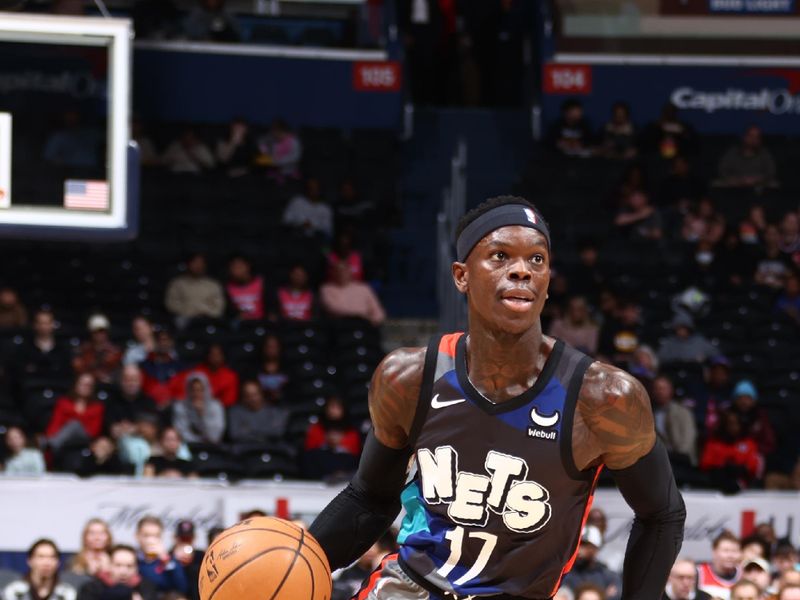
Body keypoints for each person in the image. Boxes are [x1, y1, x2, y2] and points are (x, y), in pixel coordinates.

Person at [308, 196, 685, 599]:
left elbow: (661, 514)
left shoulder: (604, 397)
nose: (522, 270)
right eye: (501, 256)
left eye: (536, 260)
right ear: (461, 276)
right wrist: (298, 562)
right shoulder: (409, 378)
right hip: (409, 588)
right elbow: (370, 498)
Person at [45, 373, 105, 463]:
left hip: (85, 438)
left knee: (74, 424)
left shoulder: (97, 407)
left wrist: (77, 419)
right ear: (76, 385)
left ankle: (51, 444)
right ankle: (51, 444)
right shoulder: (63, 403)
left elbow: (94, 431)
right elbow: (55, 423)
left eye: (88, 385)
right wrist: (50, 435)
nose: (85, 387)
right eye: (83, 384)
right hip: (64, 438)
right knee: (69, 428)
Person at [700, 410, 764, 492]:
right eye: (729, 423)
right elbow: (705, 464)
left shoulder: (749, 443)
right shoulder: (713, 443)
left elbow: (754, 466)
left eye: (736, 423)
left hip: (744, 482)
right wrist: (723, 466)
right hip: (717, 482)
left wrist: (739, 468)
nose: (732, 427)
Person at [302, 395, 361, 480]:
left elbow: (354, 452)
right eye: (331, 407)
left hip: (344, 467)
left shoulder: (351, 431)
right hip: (321, 464)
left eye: (337, 407)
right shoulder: (316, 428)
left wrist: (339, 444)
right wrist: (327, 442)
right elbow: (310, 448)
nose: (333, 411)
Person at [165, 254, 226, 327]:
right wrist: (191, 311)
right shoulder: (177, 283)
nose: (198, 266)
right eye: (195, 262)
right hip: (186, 317)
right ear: (188, 264)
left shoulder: (213, 284)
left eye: (201, 263)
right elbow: (171, 304)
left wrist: (206, 312)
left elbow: (219, 306)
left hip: (208, 317)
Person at [332, 531, 398, 600]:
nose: (370, 550)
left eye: (375, 545)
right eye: (367, 546)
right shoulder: (348, 574)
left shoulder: (384, 569)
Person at [78, 544, 158, 600]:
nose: (123, 572)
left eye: (129, 566)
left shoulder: (146, 588)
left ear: (136, 568)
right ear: (109, 566)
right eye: (118, 565)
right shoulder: (91, 588)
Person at [562, 525, 621, 599]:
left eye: (585, 545)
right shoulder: (565, 574)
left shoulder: (608, 576)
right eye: (578, 545)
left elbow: (615, 596)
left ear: (595, 549)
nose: (579, 550)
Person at [14, 309, 71, 385]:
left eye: (47, 323)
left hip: (58, 388)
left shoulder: (63, 349)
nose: (44, 327)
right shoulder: (24, 349)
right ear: (35, 325)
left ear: (53, 324)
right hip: (31, 391)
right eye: (40, 323)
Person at [320, 263, 386, 327]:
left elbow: (377, 310)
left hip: (365, 324)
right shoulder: (327, 289)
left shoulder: (363, 288)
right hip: (341, 325)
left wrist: (375, 320)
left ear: (350, 272)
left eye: (345, 270)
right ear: (333, 273)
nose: (342, 273)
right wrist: (359, 316)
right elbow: (332, 308)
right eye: (339, 270)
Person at [651, 375, 697, 465]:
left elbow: (688, 440)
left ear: (671, 390)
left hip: (682, 460)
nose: (659, 391)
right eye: (656, 388)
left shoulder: (683, 412)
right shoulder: (650, 413)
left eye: (663, 388)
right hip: (660, 461)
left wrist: (677, 457)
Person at [135, 516, 187, 594]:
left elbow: (183, 589)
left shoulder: (170, 561)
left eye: (156, 536)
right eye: (146, 535)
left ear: (161, 538)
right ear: (137, 536)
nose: (151, 541)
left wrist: (166, 561)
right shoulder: (132, 558)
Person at [227, 379, 289, 444]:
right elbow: (235, 435)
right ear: (243, 398)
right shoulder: (235, 412)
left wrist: (250, 431)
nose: (252, 399)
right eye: (248, 396)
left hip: (271, 448)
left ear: (261, 394)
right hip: (245, 449)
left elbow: (278, 432)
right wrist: (265, 433)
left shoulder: (274, 411)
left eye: (255, 394)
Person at [726, 380, 776, 458]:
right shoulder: (728, 415)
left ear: (754, 400)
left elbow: (769, 443)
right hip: (729, 454)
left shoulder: (760, 417)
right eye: (740, 398)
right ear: (734, 400)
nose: (744, 402)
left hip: (754, 455)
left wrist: (751, 449)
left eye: (748, 398)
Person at [105, 365, 159, 437]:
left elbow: (152, 430)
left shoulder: (149, 402)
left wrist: (135, 428)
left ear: (140, 381)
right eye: (127, 379)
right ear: (121, 381)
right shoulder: (112, 401)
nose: (131, 383)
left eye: (134, 379)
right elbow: (111, 429)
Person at [172, 372, 225, 445]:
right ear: (188, 390)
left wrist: (202, 415)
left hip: (212, 447)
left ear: (206, 390)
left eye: (200, 390)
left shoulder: (216, 407)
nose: (196, 394)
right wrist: (198, 442)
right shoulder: (180, 407)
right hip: (188, 446)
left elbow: (215, 437)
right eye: (193, 390)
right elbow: (181, 433)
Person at [140, 330, 188, 406]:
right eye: (159, 340)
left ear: (172, 342)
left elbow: (181, 392)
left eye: (166, 340)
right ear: (155, 342)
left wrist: (170, 402)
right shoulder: (145, 365)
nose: (163, 343)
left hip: (172, 407)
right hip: (148, 407)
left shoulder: (179, 367)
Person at [72, 315, 122, 385]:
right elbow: (79, 369)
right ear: (91, 332)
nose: (99, 334)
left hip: (110, 384)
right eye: (96, 331)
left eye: (101, 331)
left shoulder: (115, 351)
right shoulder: (84, 350)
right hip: (89, 384)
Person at [698, 530, 742, 599]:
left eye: (734, 551)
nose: (730, 555)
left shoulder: (743, 574)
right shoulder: (700, 572)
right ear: (714, 551)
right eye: (726, 550)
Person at [256, 118, 301, 182]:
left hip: (288, 167)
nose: (275, 134)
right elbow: (262, 141)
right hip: (273, 166)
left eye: (278, 132)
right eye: (274, 131)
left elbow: (295, 157)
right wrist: (263, 149)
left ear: (284, 130)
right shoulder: (272, 137)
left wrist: (278, 161)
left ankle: (283, 175)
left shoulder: (293, 141)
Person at [225, 255, 265, 321]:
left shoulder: (261, 283)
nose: (237, 270)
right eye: (234, 267)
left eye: (240, 267)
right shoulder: (227, 287)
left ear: (248, 266)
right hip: (239, 324)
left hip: (261, 323)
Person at [170, 521, 203, 600]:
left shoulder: (201, 556)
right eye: (182, 539)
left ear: (194, 538)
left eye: (188, 539)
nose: (185, 542)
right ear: (175, 538)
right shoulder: (169, 557)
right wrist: (175, 561)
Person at [255, 334, 289, 402]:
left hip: (284, 404)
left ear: (279, 348)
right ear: (263, 348)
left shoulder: (288, 367)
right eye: (269, 347)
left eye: (274, 347)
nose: (271, 350)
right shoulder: (254, 368)